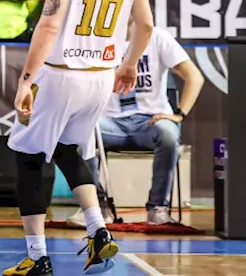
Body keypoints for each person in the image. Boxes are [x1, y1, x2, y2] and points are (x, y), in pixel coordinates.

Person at [5, 0, 155, 276]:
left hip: (61, 73)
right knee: (71, 149)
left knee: (29, 157)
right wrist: (129, 64)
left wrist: (26, 78)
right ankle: (99, 229)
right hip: (101, 74)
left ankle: (37, 258)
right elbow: (146, 25)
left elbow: (50, 25)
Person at [68, 27, 205, 226]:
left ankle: (158, 207)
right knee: (80, 132)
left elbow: (194, 76)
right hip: (110, 122)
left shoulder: (158, 37)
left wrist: (179, 114)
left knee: (167, 134)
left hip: (150, 120)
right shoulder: (97, 38)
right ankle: (98, 207)